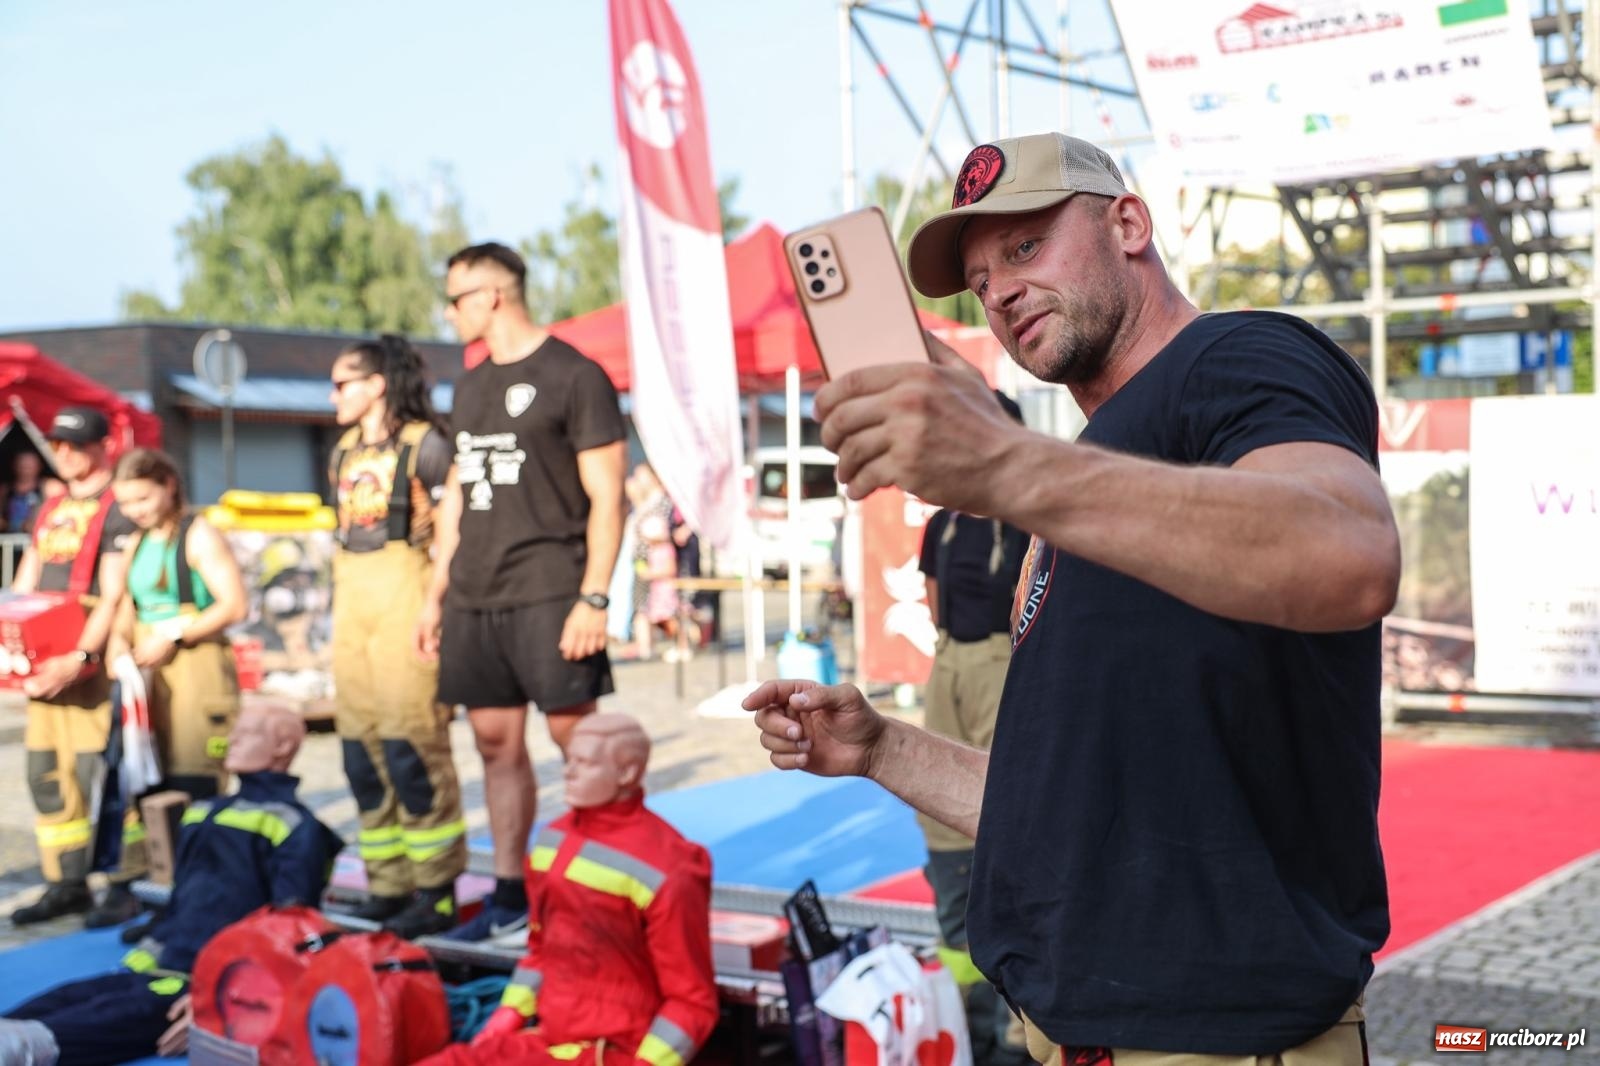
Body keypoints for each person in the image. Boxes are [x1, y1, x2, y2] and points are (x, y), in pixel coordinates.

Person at [745, 132, 1401, 1064]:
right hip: (1072, 1029)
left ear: (1128, 223)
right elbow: (1065, 802)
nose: (1001, 291)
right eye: (980, 280)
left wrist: (1009, 463)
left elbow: (1353, 553)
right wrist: (880, 748)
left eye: (1025, 247)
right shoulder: (1073, 484)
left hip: (1219, 1035)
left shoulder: (1240, 354)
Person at [421, 242, 628, 940]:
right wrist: (436, 592)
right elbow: (455, 491)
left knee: (583, 748)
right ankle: (511, 896)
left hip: (550, 590)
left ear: (492, 296)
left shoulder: (576, 376)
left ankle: (604, 893)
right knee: (493, 747)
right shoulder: (470, 384)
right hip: (475, 595)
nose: (448, 313)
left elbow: (609, 498)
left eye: (455, 299)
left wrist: (594, 598)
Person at [0, 704, 344, 1066]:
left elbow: (291, 927)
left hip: (197, 981)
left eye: (250, 733)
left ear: (283, 746)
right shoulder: (205, 810)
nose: (233, 740)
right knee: (50, 1005)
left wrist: (225, 997)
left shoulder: (294, 825)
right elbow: (185, 895)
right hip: (150, 966)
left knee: (43, 1039)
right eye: (235, 730)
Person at [418, 712, 717, 1066]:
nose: (568, 772)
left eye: (585, 762)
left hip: (612, 1053)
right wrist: (507, 1017)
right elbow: (541, 951)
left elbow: (692, 1000)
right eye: (569, 759)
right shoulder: (552, 842)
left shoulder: (669, 865)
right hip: (546, 1042)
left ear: (627, 773)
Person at [328, 335, 468, 939]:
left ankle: (435, 890)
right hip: (351, 604)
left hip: (406, 595)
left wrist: (435, 604)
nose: (332, 395)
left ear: (376, 383)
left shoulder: (427, 445)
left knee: (412, 746)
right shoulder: (342, 450)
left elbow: (453, 533)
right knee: (361, 752)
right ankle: (387, 884)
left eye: (342, 383)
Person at [915, 393, 1031, 1066]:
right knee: (937, 809)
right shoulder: (942, 523)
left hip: (1001, 658)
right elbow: (934, 595)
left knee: (1004, 813)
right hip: (951, 661)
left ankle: (1019, 1031)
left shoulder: (1027, 521)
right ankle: (971, 1025)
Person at [91, 448, 249, 927]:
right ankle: (160, 892)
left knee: (193, 782)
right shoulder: (136, 542)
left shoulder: (197, 534)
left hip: (194, 670)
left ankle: (205, 896)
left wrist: (178, 633)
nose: (134, 510)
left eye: (142, 498)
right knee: (148, 784)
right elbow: (125, 606)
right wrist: (118, 649)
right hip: (146, 673)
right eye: (126, 503)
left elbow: (233, 604)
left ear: (168, 485)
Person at [9, 407, 136, 926]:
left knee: (97, 775)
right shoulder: (51, 506)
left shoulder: (117, 509)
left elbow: (113, 593)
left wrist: (81, 656)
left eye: (74, 444)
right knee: (46, 774)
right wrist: (13, 647)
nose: (62, 453)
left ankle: (119, 881)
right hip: (44, 659)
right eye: (56, 444)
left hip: (88, 660)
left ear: (104, 446)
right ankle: (65, 881)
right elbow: (26, 580)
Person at [1, 450, 63, 533]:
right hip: (8, 540)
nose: (25, 470)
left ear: (39, 466)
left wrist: (40, 524)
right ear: (14, 466)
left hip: (39, 538)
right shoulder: (5, 490)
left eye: (29, 466)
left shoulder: (50, 487)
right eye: (21, 466)